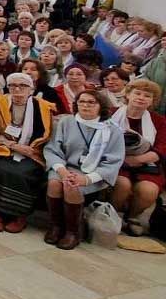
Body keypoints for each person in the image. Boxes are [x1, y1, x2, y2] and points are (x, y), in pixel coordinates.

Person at [43, 91, 123, 249]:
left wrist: (86, 179)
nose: (85, 105)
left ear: (101, 106)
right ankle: (55, 226)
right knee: (54, 184)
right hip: (65, 167)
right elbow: (52, 150)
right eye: (82, 102)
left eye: (91, 102)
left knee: (71, 187)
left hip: (94, 173)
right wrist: (63, 171)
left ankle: (73, 232)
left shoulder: (112, 130)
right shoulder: (66, 122)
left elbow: (113, 162)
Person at [0, 73, 55, 233]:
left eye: (23, 86)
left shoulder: (43, 107)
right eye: (13, 85)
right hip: (3, 148)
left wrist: (28, 149)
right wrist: (13, 145)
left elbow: (47, 135)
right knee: (1, 169)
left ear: (31, 89)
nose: (17, 89)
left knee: (25, 172)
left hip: (32, 152)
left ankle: (19, 215)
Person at [110, 80, 166, 222]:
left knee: (149, 190)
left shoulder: (159, 121)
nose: (141, 98)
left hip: (147, 164)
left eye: (147, 96)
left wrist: (137, 160)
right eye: (137, 93)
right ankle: (111, 216)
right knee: (122, 184)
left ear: (153, 101)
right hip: (116, 161)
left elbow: (162, 148)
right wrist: (122, 159)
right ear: (128, 95)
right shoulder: (111, 113)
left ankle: (132, 218)